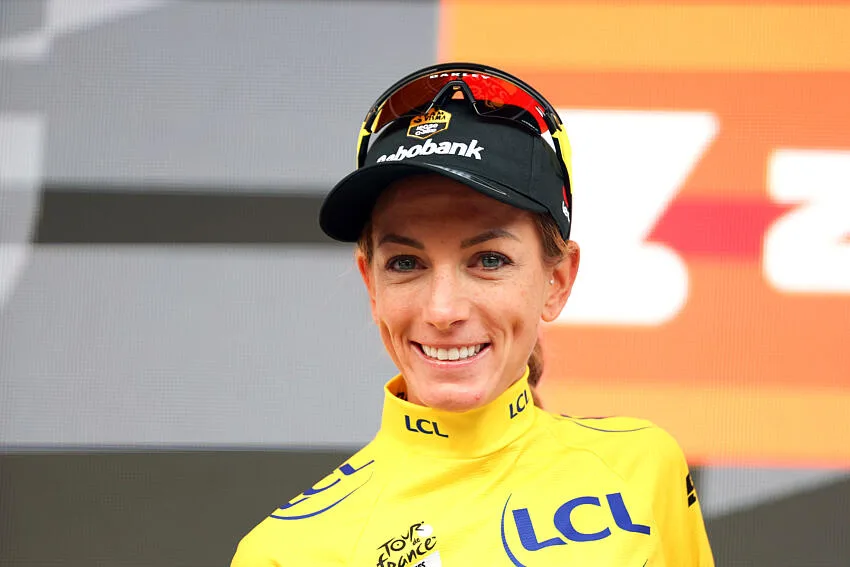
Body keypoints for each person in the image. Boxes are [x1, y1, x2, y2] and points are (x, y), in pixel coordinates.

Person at [231, 63, 714, 566]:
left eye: (489, 260)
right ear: (371, 284)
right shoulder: (285, 553)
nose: (443, 311)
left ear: (558, 280)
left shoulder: (643, 468)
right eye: (405, 263)